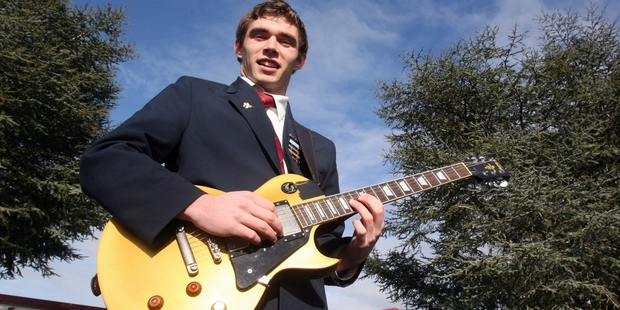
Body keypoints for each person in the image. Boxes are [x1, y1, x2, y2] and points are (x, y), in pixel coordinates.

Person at [79, 1, 384, 309]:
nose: (271, 47)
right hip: (201, 291)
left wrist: (354, 254)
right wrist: (198, 205)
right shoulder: (194, 96)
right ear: (240, 47)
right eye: (259, 36)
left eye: (285, 40)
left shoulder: (320, 148)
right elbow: (107, 158)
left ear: (300, 59)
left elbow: (322, 249)